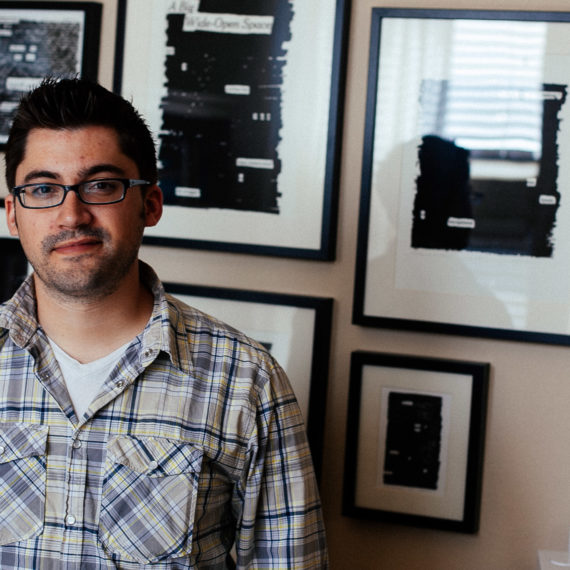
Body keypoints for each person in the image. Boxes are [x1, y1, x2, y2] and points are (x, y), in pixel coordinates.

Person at [0, 77, 328, 569]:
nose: (71, 214)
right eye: (43, 189)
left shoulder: (248, 381)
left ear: (150, 204)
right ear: (12, 214)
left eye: (101, 186)